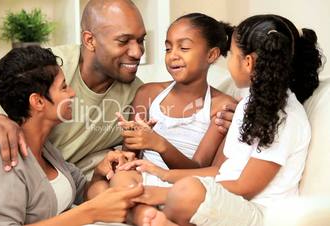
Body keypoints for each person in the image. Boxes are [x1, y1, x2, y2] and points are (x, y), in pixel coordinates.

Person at [0, 0, 235, 224]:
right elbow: (2, 113)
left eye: (141, 40)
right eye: (124, 41)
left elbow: (166, 131)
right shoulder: (53, 63)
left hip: (27, 184)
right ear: (90, 40)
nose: (138, 52)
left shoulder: (139, 93)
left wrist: (223, 121)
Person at [120, 14, 323, 226]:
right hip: (228, 197)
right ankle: (156, 217)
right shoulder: (248, 104)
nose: (228, 63)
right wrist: (161, 173)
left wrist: (165, 192)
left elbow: (245, 187)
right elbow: (221, 171)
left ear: (247, 62)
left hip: (256, 211)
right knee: (132, 181)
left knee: (186, 192)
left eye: (232, 54)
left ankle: (155, 217)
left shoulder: (284, 117)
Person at [0, 46, 144, 225]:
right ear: (38, 102)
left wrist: (100, 173)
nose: (73, 93)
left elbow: (81, 193)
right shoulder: (2, 159)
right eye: (64, 87)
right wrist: (90, 212)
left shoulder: (45, 149)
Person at [90, 13, 236, 225]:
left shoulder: (220, 106)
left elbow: (200, 167)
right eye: (168, 48)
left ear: (211, 55)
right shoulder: (147, 93)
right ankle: (143, 215)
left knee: (102, 192)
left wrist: (159, 145)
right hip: (141, 179)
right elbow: (131, 156)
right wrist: (130, 146)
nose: (173, 55)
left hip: (184, 185)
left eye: (183, 48)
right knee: (120, 179)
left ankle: (140, 214)